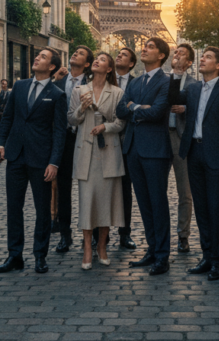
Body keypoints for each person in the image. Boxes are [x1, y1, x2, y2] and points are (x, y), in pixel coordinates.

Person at [0, 49, 67, 274]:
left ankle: (39, 255)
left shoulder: (57, 94)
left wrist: (54, 162)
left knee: (42, 210)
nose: (37, 58)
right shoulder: (20, 86)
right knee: (14, 208)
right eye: (37, 55)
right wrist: (0, 143)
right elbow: (8, 117)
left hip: (41, 159)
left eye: (43, 57)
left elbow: (59, 132)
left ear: (52, 67)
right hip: (15, 156)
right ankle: (14, 255)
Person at [169, 47, 219, 280]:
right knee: (200, 208)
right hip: (194, 153)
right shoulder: (193, 88)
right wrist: (177, 74)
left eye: (208, 57)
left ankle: (217, 262)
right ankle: (206, 256)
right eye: (203, 56)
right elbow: (172, 99)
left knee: (214, 209)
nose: (203, 59)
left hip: (216, 157)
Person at [116, 38, 172, 275]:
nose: (144, 49)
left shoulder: (166, 82)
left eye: (150, 47)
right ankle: (152, 249)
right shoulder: (136, 81)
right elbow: (120, 110)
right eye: (144, 46)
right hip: (133, 149)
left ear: (161, 55)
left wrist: (133, 108)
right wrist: (141, 108)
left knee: (158, 203)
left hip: (155, 151)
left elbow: (159, 112)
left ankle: (162, 255)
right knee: (144, 204)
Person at [68, 52, 127, 270]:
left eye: (103, 60)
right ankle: (86, 248)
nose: (97, 61)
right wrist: (82, 108)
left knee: (106, 203)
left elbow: (121, 123)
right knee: (86, 203)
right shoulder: (79, 90)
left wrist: (105, 126)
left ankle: (102, 246)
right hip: (86, 154)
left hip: (109, 152)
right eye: (96, 59)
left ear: (109, 69)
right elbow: (71, 120)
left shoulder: (118, 93)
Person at [53, 45, 94, 253]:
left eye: (81, 54)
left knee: (89, 186)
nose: (75, 54)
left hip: (86, 138)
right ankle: (65, 234)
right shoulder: (59, 81)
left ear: (87, 64)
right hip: (64, 139)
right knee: (63, 188)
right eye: (74, 52)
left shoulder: (93, 83)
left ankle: (93, 234)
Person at [165, 44, 196, 254]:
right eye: (175, 52)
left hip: (181, 137)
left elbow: (202, 109)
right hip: (159, 137)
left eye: (182, 53)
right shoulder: (162, 79)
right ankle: (159, 235)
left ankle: (183, 234)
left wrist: (187, 108)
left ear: (190, 62)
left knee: (185, 191)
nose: (177, 55)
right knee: (157, 190)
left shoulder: (196, 84)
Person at [112, 47, 139, 251]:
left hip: (128, 141)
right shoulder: (103, 79)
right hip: (103, 140)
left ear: (131, 63)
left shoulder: (137, 83)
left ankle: (125, 232)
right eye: (118, 53)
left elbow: (138, 111)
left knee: (125, 189)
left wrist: (128, 110)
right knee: (102, 187)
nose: (119, 55)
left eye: (124, 55)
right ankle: (97, 233)